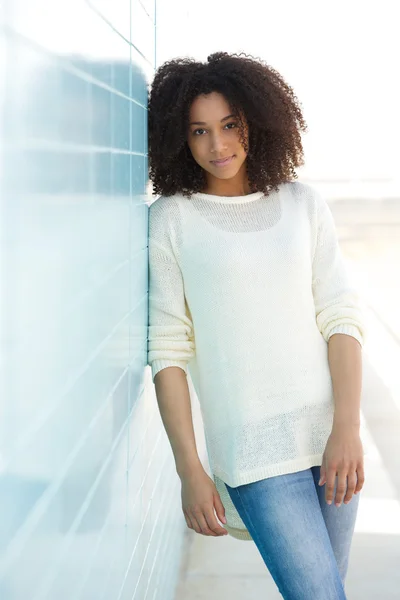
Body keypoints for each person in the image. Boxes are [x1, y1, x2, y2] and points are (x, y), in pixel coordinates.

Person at [146, 51, 366, 600]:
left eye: (229, 126)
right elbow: (169, 352)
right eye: (199, 131)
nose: (217, 146)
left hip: (330, 440)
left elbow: (340, 319)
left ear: (257, 124)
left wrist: (347, 427)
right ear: (179, 137)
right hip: (253, 454)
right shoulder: (171, 219)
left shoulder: (303, 204)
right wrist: (189, 470)